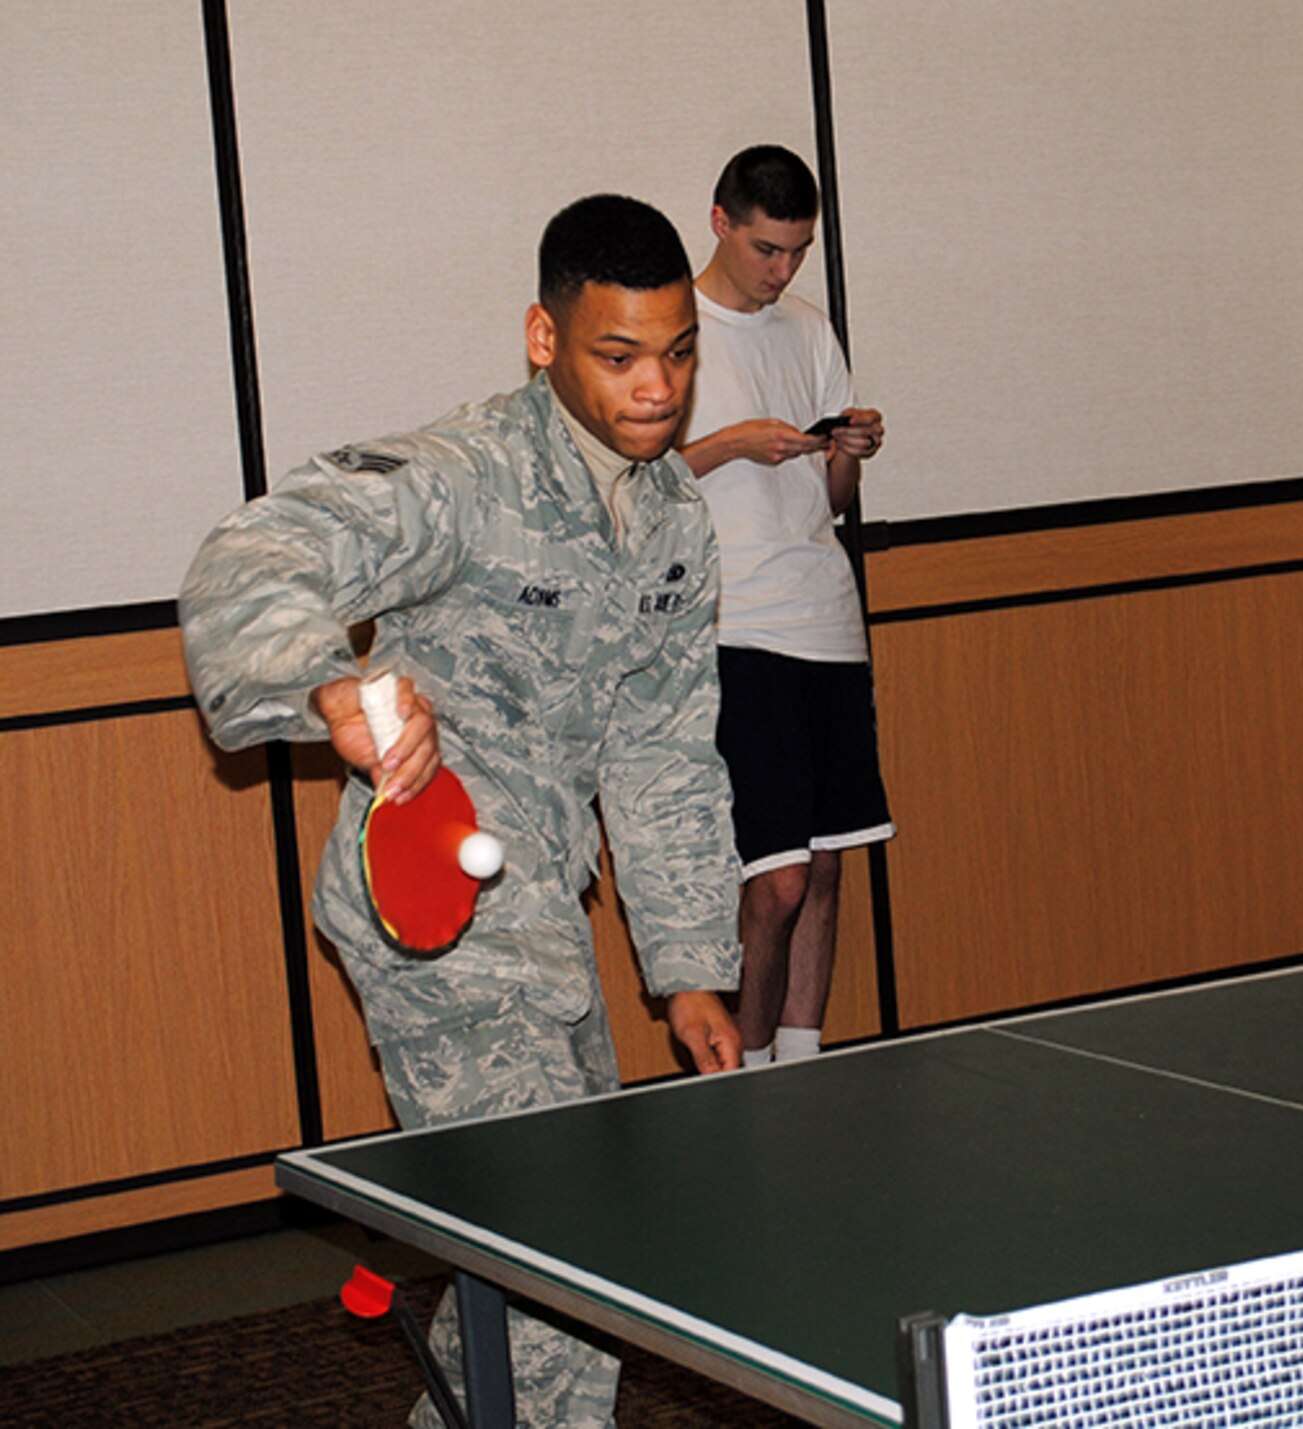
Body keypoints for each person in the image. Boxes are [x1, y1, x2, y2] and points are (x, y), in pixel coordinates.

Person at [179, 194, 742, 1426]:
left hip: (541, 915)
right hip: (430, 920)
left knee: (548, 1261)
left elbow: (661, 753)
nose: (657, 387)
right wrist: (324, 680)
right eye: (618, 355)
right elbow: (252, 553)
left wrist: (690, 961)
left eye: (679, 351)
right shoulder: (465, 475)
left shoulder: (674, 518)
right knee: (567, 1256)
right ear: (543, 338)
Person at [679, 145, 893, 1065]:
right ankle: (748, 1072)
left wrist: (849, 446)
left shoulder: (808, 329)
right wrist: (729, 444)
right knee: (775, 878)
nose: (782, 271)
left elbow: (833, 499)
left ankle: (804, 1063)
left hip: (827, 621)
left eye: (798, 251)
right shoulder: (668, 333)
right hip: (735, 629)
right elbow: (626, 486)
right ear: (720, 222)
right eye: (767, 249)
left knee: (831, 861)